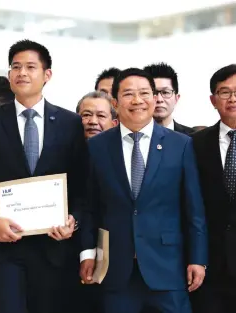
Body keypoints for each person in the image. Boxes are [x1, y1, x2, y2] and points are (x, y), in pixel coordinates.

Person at [0, 39, 88, 313]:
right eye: (15, 67)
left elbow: (82, 185)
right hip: (4, 249)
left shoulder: (69, 123)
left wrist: (73, 221)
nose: (22, 73)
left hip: (54, 249)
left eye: (31, 67)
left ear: (47, 75)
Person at [80, 68, 208, 313]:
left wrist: (198, 258)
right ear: (115, 102)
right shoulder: (98, 147)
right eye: (128, 94)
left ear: (154, 98)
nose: (137, 100)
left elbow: (194, 209)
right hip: (116, 270)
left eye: (144, 93)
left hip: (168, 267)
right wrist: (87, 253)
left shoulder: (180, 144)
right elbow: (90, 206)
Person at [191, 64, 236, 313]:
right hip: (210, 266)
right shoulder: (194, 144)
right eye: (225, 92)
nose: (233, 98)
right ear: (213, 99)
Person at [143, 63, 194, 135]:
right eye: (153, 93)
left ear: (176, 98)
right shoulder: (132, 137)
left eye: (165, 92)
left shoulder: (193, 138)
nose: (159, 99)